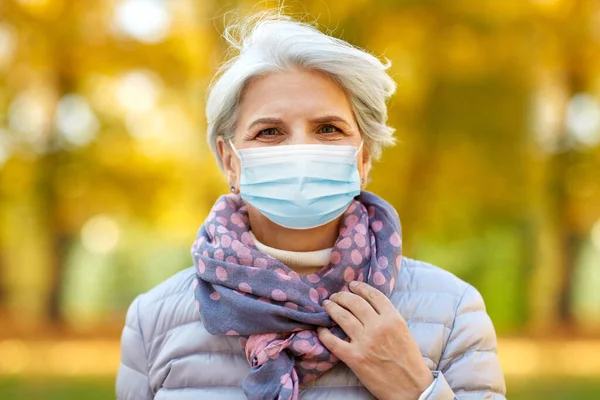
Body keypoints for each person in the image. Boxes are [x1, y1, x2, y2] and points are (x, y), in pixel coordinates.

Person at [116, 11, 506, 400]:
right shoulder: (153, 322)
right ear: (230, 160)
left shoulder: (451, 311)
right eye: (269, 131)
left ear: (364, 157)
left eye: (328, 129)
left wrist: (417, 392)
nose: (301, 149)